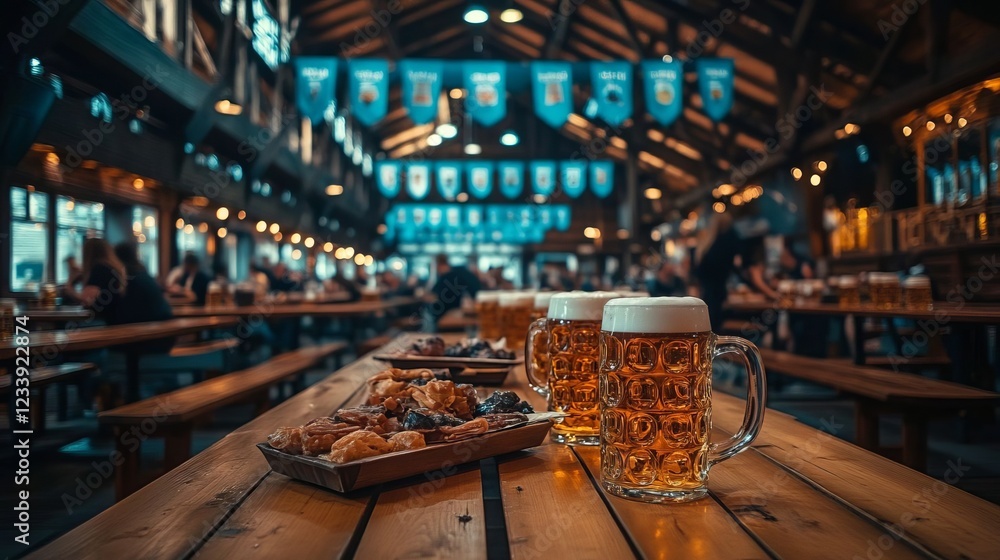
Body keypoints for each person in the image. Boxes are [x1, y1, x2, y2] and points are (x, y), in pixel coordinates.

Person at [63, 238, 127, 323]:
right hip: (115, 319)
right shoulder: (110, 268)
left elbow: (87, 300)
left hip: (104, 322)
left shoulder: (99, 269)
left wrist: (70, 290)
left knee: (64, 325)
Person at [427, 255, 481, 321]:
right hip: (453, 311)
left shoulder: (446, 278)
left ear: (439, 265)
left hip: (446, 313)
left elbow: (432, 296)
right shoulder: (460, 272)